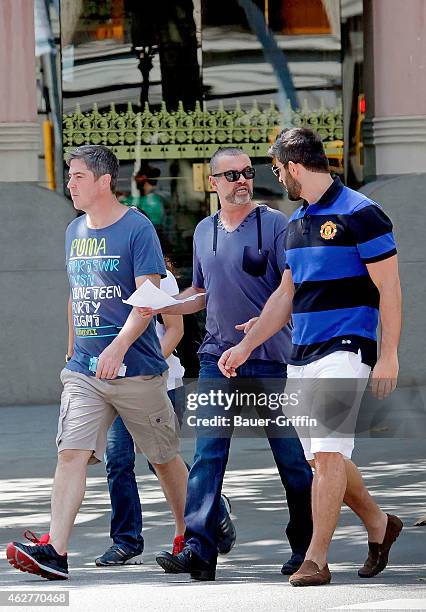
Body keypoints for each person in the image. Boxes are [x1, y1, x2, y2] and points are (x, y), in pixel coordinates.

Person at [218, 128, 403, 587]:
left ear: (294, 167)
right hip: (302, 355)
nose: (277, 177)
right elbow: (286, 293)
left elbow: (390, 287)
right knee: (325, 459)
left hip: (348, 347)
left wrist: (389, 354)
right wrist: (245, 346)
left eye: (278, 169)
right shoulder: (296, 222)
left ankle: (316, 560)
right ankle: (380, 525)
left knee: (326, 452)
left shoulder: (362, 213)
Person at [6, 145, 188, 580]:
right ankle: (57, 551)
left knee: (163, 459)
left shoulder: (137, 228)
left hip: (137, 369)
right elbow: (77, 294)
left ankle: (191, 531)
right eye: (69, 176)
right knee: (70, 453)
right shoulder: (73, 231)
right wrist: (73, 354)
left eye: (77, 176)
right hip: (85, 370)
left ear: (105, 181)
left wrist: (118, 348)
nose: (69, 183)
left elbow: (148, 300)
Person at [138, 147, 313, 581]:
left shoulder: (274, 224)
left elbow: (293, 292)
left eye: (247, 173)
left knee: (291, 457)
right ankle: (199, 549)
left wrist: (259, 334)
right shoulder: (203, 231)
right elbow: (201, 291)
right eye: (231, 174)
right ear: (212, 182)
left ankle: (307, 546)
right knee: (207, 454)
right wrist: (163, 305)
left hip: (271, 358)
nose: (241, 180)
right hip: (217, 357)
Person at [95, 261, 236, 566]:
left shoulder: (161, 278)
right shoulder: (99, 277)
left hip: (160, 382)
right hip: (112, 382)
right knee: (117, 460)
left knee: (161, 460)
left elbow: (175, 331)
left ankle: (196, 523)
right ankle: (126, 541)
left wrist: (143, 369)